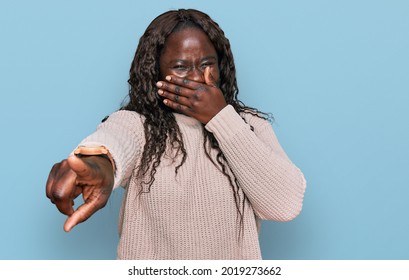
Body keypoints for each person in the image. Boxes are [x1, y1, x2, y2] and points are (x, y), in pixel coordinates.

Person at [46, 8, 306, 260]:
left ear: (221, 67)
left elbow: (284, 205)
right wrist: (97, 162)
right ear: (156, 72)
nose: (196, 78)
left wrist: (221, 117)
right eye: (180, 67)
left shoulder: (249, 125)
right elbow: (114, 139)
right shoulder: (139, 125)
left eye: (207, 64)